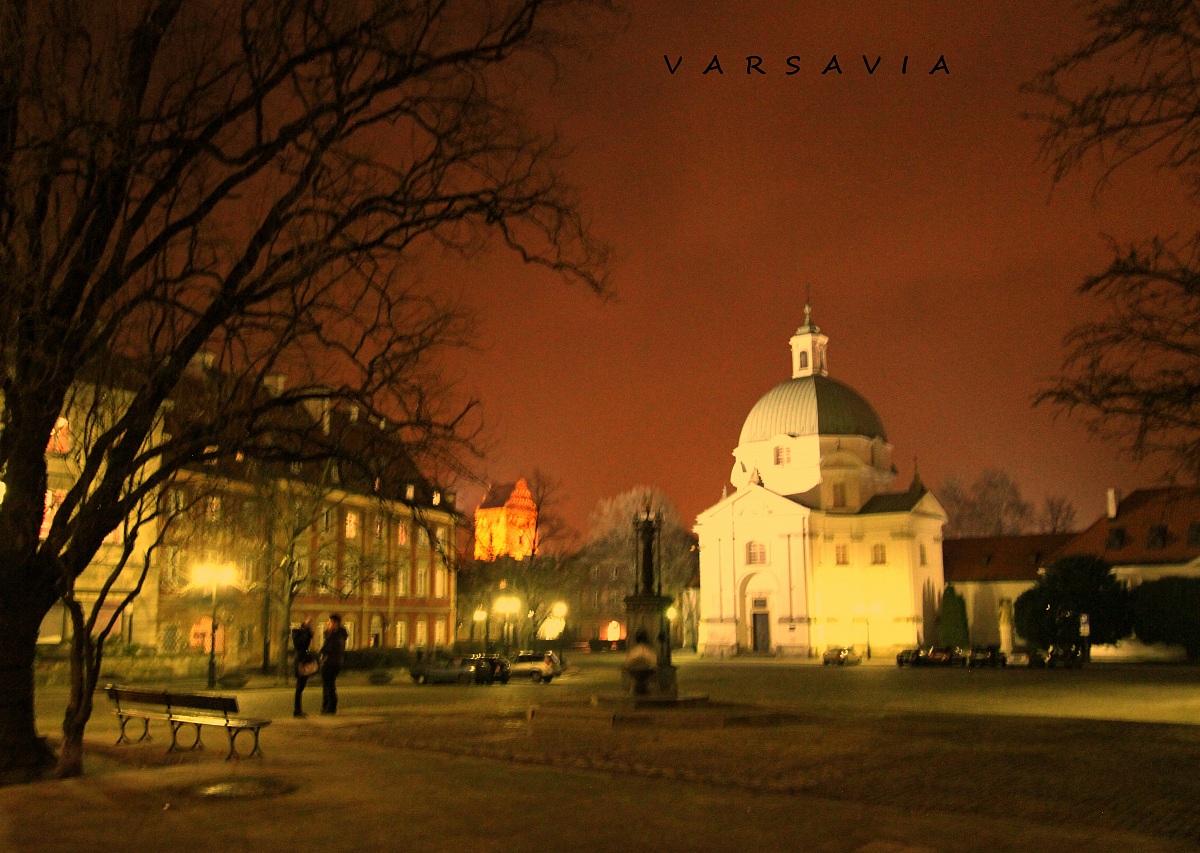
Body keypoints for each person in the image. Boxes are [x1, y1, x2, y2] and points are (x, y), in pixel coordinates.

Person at [320, 613, 348, 715]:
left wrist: (323, 650)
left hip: (332, 663)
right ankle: (326, 706)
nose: (328, 624)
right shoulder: (332, 634)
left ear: (336, 623)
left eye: (330, 622)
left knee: (329, 685)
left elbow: (332, 649)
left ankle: (331, 707)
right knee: (327, 685)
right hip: (329, 662)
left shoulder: (338, 635)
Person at [291, 617, 315, 718]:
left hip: (301, 660)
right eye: (309, 623)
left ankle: (298, 710)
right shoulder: (301, 635)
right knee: (299, 687)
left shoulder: (302, 634)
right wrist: (307, 630)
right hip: (301, 661)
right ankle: (297, 711)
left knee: (300, 687)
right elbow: (303, 642)